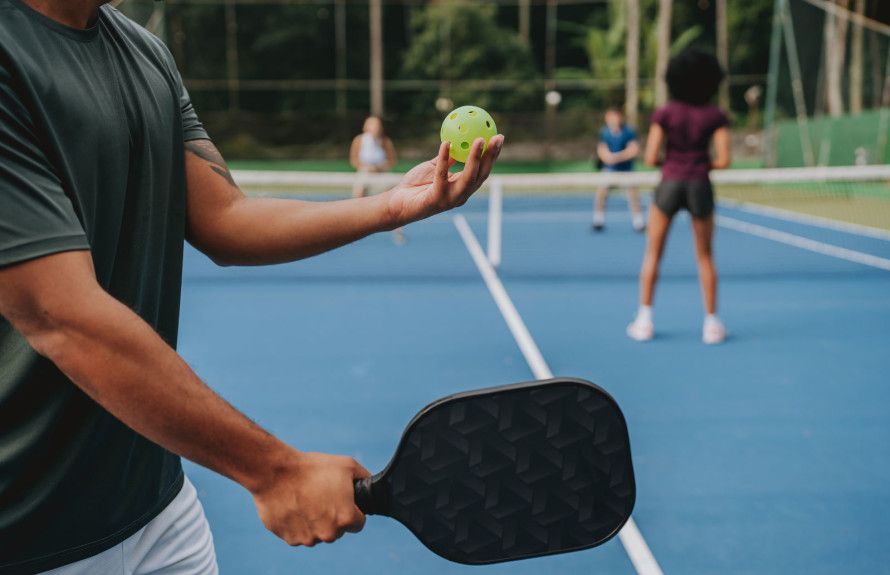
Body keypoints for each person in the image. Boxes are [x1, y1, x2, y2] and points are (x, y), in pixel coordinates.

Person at [0, 1, 505, 573]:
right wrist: (273, 472)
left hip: (157, 508)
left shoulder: (143, 53)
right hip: (29, 534)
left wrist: (394, 205)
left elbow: (227, 218)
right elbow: (60, 315)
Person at [626, 48, 731, 345]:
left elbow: (649, 157)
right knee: (706, 256)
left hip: (669, 183)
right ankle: (711, 324)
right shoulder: (715, 115)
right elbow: (723, 159)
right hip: (700, 185)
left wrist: (673, 163)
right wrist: (699, 164)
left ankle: (644, 321)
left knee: (653, 253)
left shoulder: (666, 113)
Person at [349, 117, 405, 244]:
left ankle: (398, 231)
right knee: (358, 193)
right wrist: (366, 167)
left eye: (377, 125)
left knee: (395, 197)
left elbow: (392, 160)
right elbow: (354, 160)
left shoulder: (385, 142)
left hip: (382, 174)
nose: (375, 127)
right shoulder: (359, 140)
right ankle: (354, 228)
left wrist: (380, 167)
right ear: (365, 127)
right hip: (365, 173)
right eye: (372, 125)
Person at [593, 107, 645, 233]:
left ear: (620, 118)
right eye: (610, 118)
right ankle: (598, 221)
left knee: (633, 196)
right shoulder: (604, 132)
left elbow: (634, 150)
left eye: (615, 117)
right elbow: (602, 150)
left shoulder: (629, 132)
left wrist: (616, 157)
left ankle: (638, 222)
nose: (613, 120)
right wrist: (607, 158)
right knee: (601, 194)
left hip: (626, 170)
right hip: (609, 171)